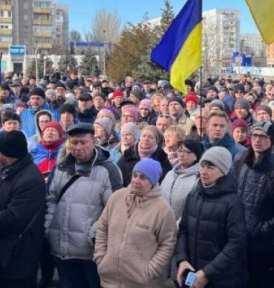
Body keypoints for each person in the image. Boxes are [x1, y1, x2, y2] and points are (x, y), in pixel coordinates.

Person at [45, 123, 123, 288]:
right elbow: (51, 199)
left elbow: (115, 209)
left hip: (90, 252)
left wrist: (93, 233)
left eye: (83, 142)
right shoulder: (61, 168)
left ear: (94, 141)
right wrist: (48, 227)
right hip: (62, 249)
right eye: (74, 143)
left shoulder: (108, 170)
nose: (78, 147)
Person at [94, 158, 177, 288]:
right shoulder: (117, 197)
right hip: (109, 281)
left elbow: (168, 244)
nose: (136, 181)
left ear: (153, 182)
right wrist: (101, 258)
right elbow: (103, 228)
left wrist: (150, 271)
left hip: (143, 283)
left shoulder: (163, 210)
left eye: (143, 177)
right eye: (135, 175)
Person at [176, 147, 247, 288]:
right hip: (193, 273)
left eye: (210, 167)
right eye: (202, 166)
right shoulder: (193, 195)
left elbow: (236, 244)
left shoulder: (232, 202)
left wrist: (208, 272)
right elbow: (183, 231)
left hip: (221, 279)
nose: (203, 171)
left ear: (222, 171)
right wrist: (182, 259)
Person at [0, 131, 45, 288]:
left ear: (5, 153)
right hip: (2, 255)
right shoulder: (4, 171)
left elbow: (14, 217)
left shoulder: (30, 179)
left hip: (17, 258)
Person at [235, 121, 274, 288]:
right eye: (254, 135)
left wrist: (262, 228)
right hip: (239, 237)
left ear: (271, 140)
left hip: (263, 243)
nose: (257, 140)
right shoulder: (241, 160)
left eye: (263, 136)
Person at [161, 139, 204, 223]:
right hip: (163, 223)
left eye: (187, 152)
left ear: (196, 156)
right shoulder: (170, 173)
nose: (181, 154)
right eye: (180, 151)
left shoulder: (198, 178)